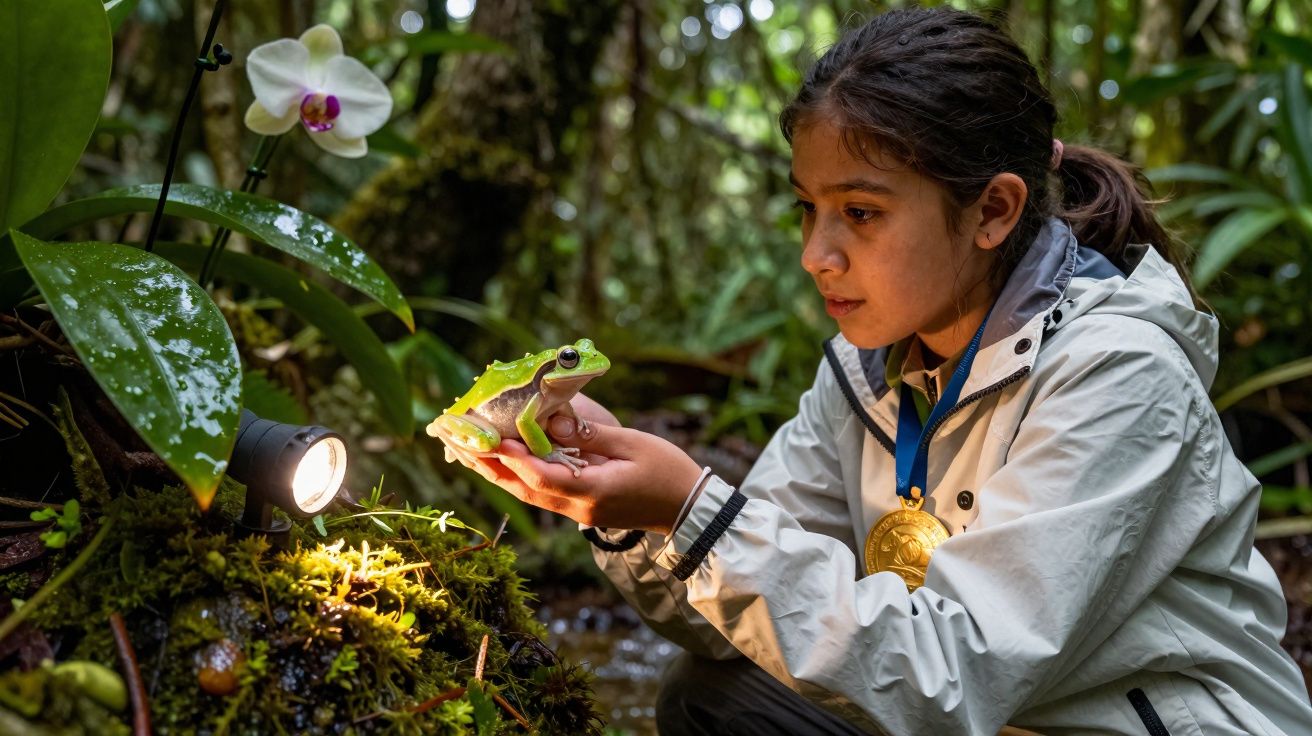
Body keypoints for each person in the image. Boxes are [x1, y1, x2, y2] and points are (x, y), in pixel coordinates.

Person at [458, 6, 1312, 734]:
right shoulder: (867, 371)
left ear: (994, 210)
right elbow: (730, 626)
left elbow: (958, 667)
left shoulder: (1120, 375)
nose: (816, 256)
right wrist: (639, 519)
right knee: (713, 697)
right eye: (808, 210)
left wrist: (695, 514)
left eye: (859, 213)